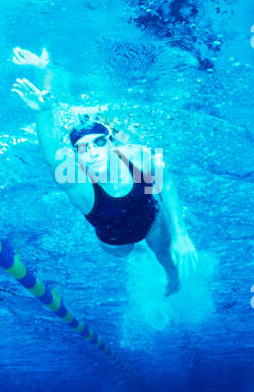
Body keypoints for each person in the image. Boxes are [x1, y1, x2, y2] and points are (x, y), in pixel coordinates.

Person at [11, 46, 198, 294]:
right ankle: (46, 72)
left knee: (164, 254)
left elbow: (168, 183)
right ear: (77, 156)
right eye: (83, 148)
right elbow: (51, 157)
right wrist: (44, 113)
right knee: (125, 253)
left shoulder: (140, 157)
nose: (92, 151)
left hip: (152, 221)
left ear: (111, 143)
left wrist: (182, 234)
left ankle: (173, 282)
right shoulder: (78, 184)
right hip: (115, 241)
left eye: (99, 142)